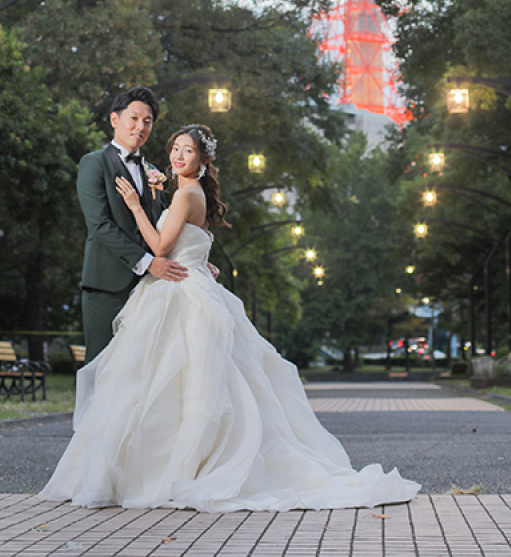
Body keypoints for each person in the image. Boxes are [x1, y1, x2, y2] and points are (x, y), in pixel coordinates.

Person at [41, 124, 420, 512]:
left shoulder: (187, 194)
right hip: (190, 283)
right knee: (170, 381)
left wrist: (137, 206)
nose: (177, 156)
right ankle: (168, 467)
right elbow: (188, 241)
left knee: (170, 379)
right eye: (174, 148)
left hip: (179, 291)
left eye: (187, 151)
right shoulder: (190, 193)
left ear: (203, 161)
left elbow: (159, 246)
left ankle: (174, 469)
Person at [77, 86, 188, 363]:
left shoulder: (154, 172)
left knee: (140, 372)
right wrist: (148, 262)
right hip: (107, 287)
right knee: (100, 369)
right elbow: (100, 225)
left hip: (149, 289)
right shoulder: (94, 164)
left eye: (147, 122)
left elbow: (164, 223)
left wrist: (194, 258)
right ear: (115, 119)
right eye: (134, 118)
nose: (141, 127)